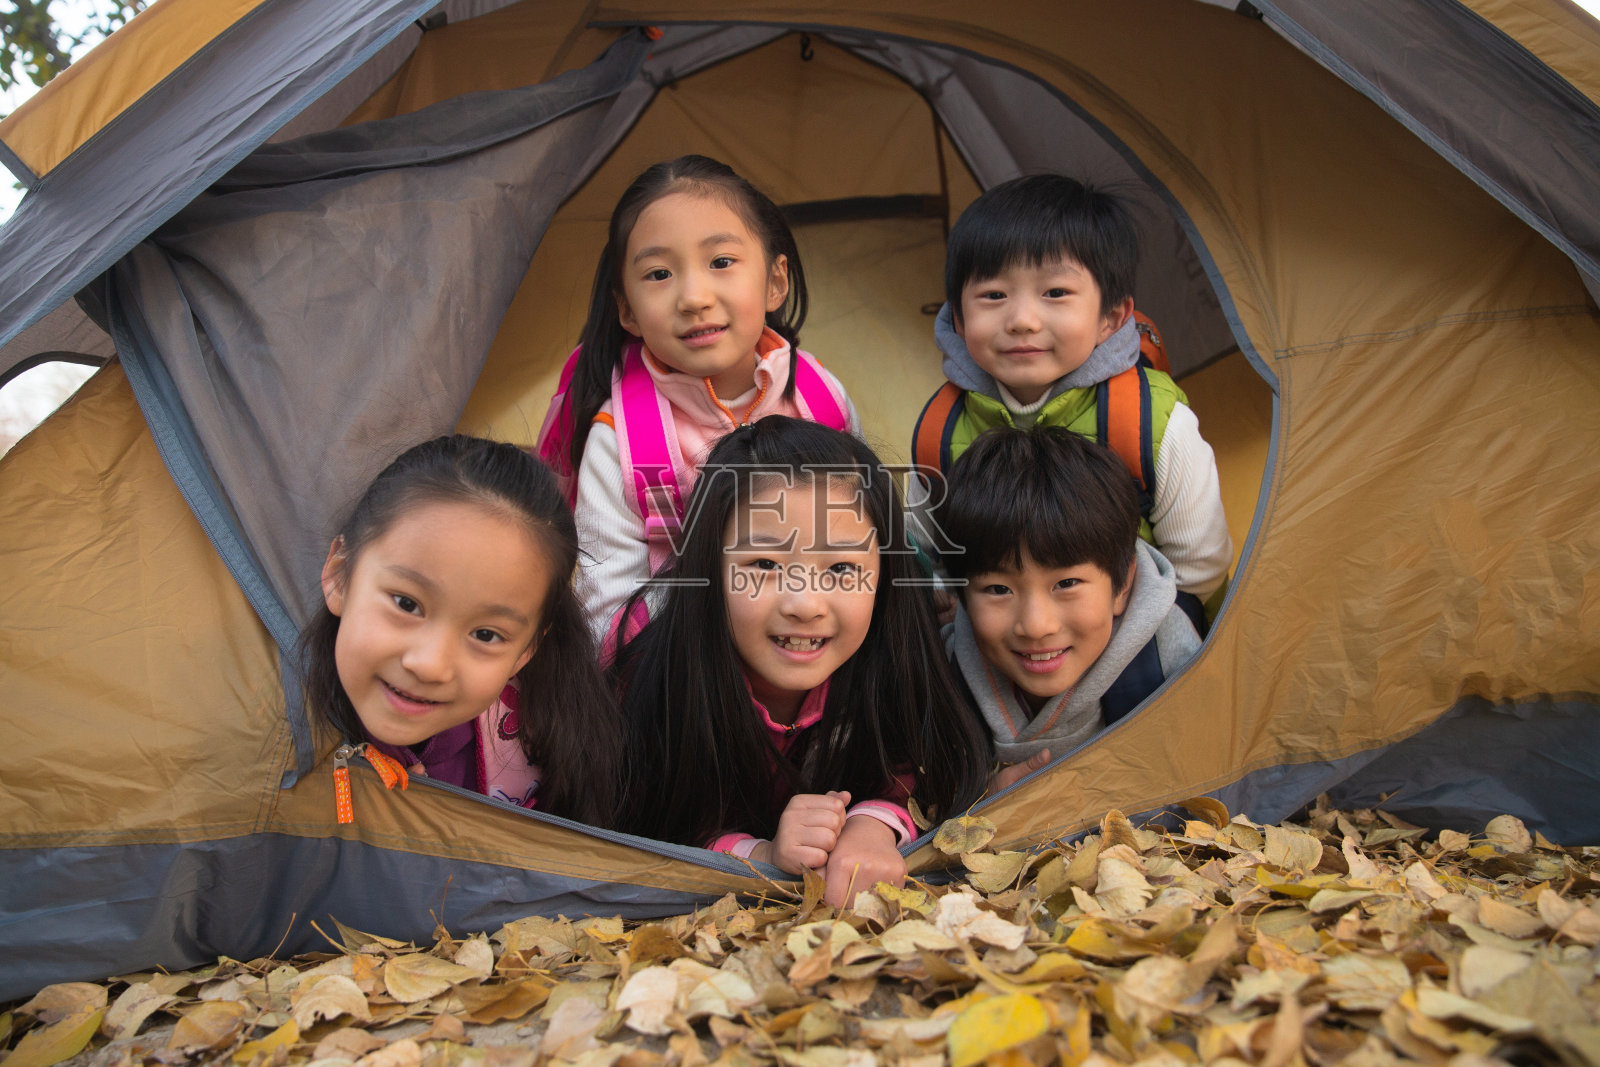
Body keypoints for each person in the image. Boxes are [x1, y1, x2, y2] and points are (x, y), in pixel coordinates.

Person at [612, 417, 990, 907]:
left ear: (884, 577)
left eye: (842, 568)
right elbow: (646, 825)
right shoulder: (657, 678)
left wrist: (871, 826)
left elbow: (922, 767)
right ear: (709, 570)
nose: (805, 603)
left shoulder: (891, 662)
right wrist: (760, 853)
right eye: (765, 565)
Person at [535, 155, 859, 640]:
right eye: (659, 274)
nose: (693, 297)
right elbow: (610, 611)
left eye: (721, 262)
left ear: (775, 281)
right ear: (627, 310)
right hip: (679, 674)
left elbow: (859, 545)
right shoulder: (618, 442)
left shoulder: (821, 400)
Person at [911, 174, 1230, 628]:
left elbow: (1200, 567)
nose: (1022, 319)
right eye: (994, 295)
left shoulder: (1150, 423)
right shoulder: (939, 432)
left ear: (1111, 317)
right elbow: (933, 560)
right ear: (958, 318)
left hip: (1140, 646)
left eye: (1055, 293)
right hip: (1005, 646)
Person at [301, 434, 624, 827]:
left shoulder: (550, 743)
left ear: (526, 650)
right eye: (406, 604)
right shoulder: (260, 736)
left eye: (486, 635)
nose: (430, 665)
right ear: (340, 576)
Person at [940, 427, 1201, 773]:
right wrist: (980, 798)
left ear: (1122, 585)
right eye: (999, 589)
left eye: (1066, 583)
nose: (1036, 626)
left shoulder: (1168, 661)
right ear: (962, 596)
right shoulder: (945, 676)